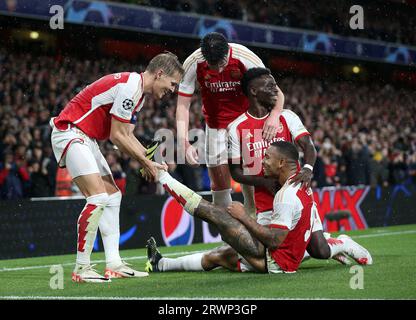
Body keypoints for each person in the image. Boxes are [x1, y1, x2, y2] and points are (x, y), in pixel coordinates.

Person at [50, 52, 183, 283]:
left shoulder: (137, 94)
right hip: (69, 132)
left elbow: (127, 136)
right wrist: (146, 163)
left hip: (85, 138)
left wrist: (150, 160)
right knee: (98, 197)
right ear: (160, 74)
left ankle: (113, 264)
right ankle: (81, 268)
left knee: (112, 196)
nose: (173, 90)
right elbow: (117, 137)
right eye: (172, 84)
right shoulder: (130, 86)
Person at [145, 141, 372, 274]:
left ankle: (162, 176)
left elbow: (274, 240)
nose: (263, 161)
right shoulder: (300, 182)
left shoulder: (286, 195)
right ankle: (161, 264)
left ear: (282, 163)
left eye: (267, 157)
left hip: (275, 262)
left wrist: (244, 216)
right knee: (219, 255)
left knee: (215, 215)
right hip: (287, 251)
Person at [176, 32, 284, 217]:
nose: (218, 70)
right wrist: (183, 142)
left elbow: (277, 93)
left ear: (228, 52)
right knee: (218, 187)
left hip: (245, 123)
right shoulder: (193, 62)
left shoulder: (245, 58)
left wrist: (274, 114)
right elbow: (182, 105)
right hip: (215, 126)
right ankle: (230, 237)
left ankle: (256, 222)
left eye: (221, 64)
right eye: (213, 66)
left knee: (251, 180)